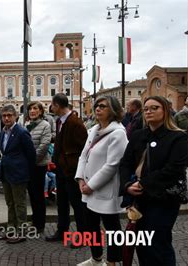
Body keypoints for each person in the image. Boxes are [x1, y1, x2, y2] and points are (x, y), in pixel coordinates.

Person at [119, 96, 187, 266]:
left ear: (165, 111)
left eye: (154, 108)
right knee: (142, 244)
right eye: (146, 109)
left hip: (163, 199)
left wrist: (143, 184)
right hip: (139, 198)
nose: (149, 111)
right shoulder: (137, 135)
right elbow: (125, 164)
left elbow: (174, 169)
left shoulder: (178, 137)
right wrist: (127, 185)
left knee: (158, 243)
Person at [75, 96, 128, 266]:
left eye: (103, 106)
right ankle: (96, 258)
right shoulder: (93, 130)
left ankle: (112, 262)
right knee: (92, 227)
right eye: (97, 106)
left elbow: (112, 165)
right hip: (88, 188)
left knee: (112, 229)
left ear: (113, 110)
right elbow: (83, 156)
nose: (98, 108)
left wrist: (91, 185)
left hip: (104, 190)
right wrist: (80, 178)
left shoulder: (118, 133)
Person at [45, 93, 87, 244]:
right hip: (61, 169)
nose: (51, 107)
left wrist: (75, 165)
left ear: (57, 105)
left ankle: (83, 235)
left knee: (77, 204)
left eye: (52, 104)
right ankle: (62, 230)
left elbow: (84, 147)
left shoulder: (75, 122)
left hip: (72, 170)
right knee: (61, 202)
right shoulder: (59, 121)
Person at [0, 105, 36, 244]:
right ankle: (10, 230)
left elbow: (31, 154)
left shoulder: (21, 132)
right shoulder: (2, 132)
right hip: (7, 172)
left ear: (15, 116)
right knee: (9, 203)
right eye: (4, 116)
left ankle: (21, 232)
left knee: (19, 203)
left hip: (19, 173)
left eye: (9, 115)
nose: (6, 118)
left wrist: (26, 171)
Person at [23, 102, 51, 233]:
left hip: (39, 165)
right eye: (30, 109)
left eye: (35, 108)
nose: (32, 111)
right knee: (32, 195)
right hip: (28, 165)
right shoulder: (26, 125)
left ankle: (40, 224)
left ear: (40, 111)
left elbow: (44, 145)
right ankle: (35, 221)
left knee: (38, 195)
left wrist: (32, 160)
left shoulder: (45, 125)